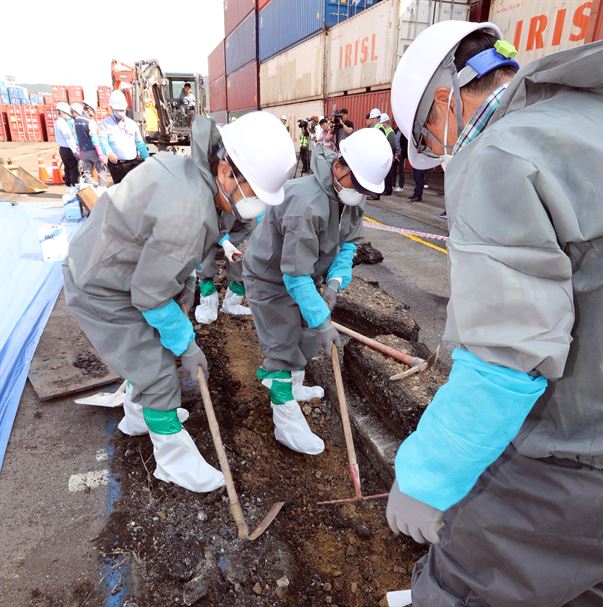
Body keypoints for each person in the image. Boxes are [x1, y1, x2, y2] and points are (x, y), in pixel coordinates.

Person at [338, 21, 603, 607]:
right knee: (597, 572)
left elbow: (508, 354)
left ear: (445, 99)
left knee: (482, 554)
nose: (439, 159)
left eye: (431, 139)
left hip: (589, 434)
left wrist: (425, 471)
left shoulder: (504, 154)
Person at [63, 112, 295, 492]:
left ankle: (138, 415)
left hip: (118, 267)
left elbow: (165, 271)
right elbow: (150, 295)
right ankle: (172, 459)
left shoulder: (191, 177)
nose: (255, 201)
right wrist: (186, 344)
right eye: (253, 189)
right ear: (225, 169)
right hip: (102, 284)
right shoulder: (187, 210)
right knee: (155, 366)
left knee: (156, 344)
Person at [242, 128, 392, 455]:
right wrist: (323, 320)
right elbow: (293, 276)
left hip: (307, 273)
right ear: (340, 167)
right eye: (360, 185)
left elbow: (348, 244)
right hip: (270, 277)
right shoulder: (305, 202)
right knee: (282, 341)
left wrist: (336, 283)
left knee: (307, 334)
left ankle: (294, 387)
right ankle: (285, 419)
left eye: (368, 189)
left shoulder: (349, 198)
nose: (362, 194)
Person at [99, 89, 149, 185]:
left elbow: (139, 143)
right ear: (112, 108)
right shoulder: (105, 124)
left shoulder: (132, 124)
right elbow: (103, 141)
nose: (121, 113)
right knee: (120, 190)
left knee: (134, 188)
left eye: (122, 110)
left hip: (132, 163)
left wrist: (146, 157)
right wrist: (109, 153)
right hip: (117, 165)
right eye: (118, 110)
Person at [71, 102, 107, 187]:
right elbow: (94, 139)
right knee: (102, 171)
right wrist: (100, 154)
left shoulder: (76, 121)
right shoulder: (90, 121)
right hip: (93, 151)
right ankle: (101, 190)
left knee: (87, 173)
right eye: (93, 112)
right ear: (89, 109)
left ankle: (93, 188)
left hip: (83, 152)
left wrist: (80, 152)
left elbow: (76, 138)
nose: (93, 115)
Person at [54, 102, 79, 187]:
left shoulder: (57, 122)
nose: (68, 115)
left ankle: (68, 186)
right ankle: (74, 186)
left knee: (67, 168)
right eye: (66, 113)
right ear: (61, 112)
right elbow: (68, 137)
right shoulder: (62, 123)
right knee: (73, 168)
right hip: (68, 149)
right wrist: (75, 150)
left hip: (62, 149)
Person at [376, 113, 396, 195]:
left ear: (386, 122)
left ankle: (388, 190)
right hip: (387, 156)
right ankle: (386, 189)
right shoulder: (387, 131)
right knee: (386, 174)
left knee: (388, 175)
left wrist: (391, 155)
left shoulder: (390, 132)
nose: (382, 125)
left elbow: (393, 146)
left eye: (383, 123)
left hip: (389, 156)